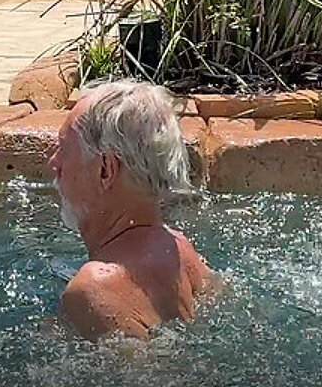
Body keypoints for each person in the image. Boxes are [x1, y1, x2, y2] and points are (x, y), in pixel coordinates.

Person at [48, 79, 216, 340]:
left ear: (105, 170)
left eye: (63, 149)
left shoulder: (92, 289)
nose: (54, 163)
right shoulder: (182, 250)